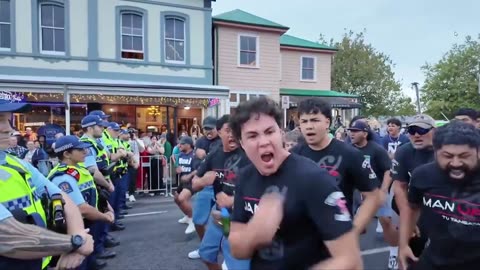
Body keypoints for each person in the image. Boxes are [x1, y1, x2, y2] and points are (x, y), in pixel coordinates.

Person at [228, 97, 363, 270]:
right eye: (252, 136)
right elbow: (237, 251)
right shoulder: (245, 177)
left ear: (281, 134)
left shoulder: (314, 179)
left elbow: (351, 261)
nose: (264, 142)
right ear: (242, 143)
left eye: (270, 132)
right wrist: (254, 233)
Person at [0, 98, 93, 270]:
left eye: (8, 119)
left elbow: (64, 199)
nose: (9, 128)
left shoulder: (17, 163)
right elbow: (7, 236)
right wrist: (75, 242)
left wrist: (76, 237)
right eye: (0, 119)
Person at [291, 98, 382, 235]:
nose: (309, 126)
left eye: (315, 120)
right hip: (302, 237)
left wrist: (355, 228)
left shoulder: (350, 154)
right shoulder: (293, 155)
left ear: (327, 122)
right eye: (304, 121)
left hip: (338, 237)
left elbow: (373, 196)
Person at [399, 121, 480, 270]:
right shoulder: (423, 175)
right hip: (433, 260)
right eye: (447, 156)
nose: (456, 163)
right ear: (435, 152)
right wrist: (403, 245)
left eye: (464, 156)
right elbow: (412, 208)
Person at [192, 115, 251, 270]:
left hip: (242, 217)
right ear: (219, 132)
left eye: (235, 131)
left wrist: (233, 201)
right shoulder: (214, 155)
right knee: (206, 255)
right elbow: (195, 183)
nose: (232, 134)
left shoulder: (249, 155)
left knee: (236, 260)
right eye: (228, 130)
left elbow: (261, 189)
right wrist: (203, 181)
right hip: (223, 215)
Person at [49, 135, 115, 270]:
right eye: (80, 150)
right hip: (75, 228)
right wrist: (106, 217)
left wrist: (108, 207)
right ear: (67, 154)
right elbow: (81, 208)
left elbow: (94, 192)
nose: (85, 152)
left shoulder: (80, 169)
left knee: (88, 260)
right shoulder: (63, 178)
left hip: (89, 222)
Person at [391, 114, 436, 261]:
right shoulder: (404, 151)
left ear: (434, 131)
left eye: (422, 130)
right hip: (415, 202)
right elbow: (399, 186)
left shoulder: (446, 151)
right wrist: (408, 221)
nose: (416, 135)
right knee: (411, 244)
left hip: (444, 202)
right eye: (412, 131)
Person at [187, 116, 222, 259]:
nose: (208, 131)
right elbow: (196, 162)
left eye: (211, 128)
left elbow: (222, 161)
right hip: (206, 186)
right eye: (206, 128)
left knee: (224, 219)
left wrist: (205, 155)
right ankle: (204, 247)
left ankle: (227, 246)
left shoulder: (223, 141)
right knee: (198, 220)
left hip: (222, 186)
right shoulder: (201, 141)